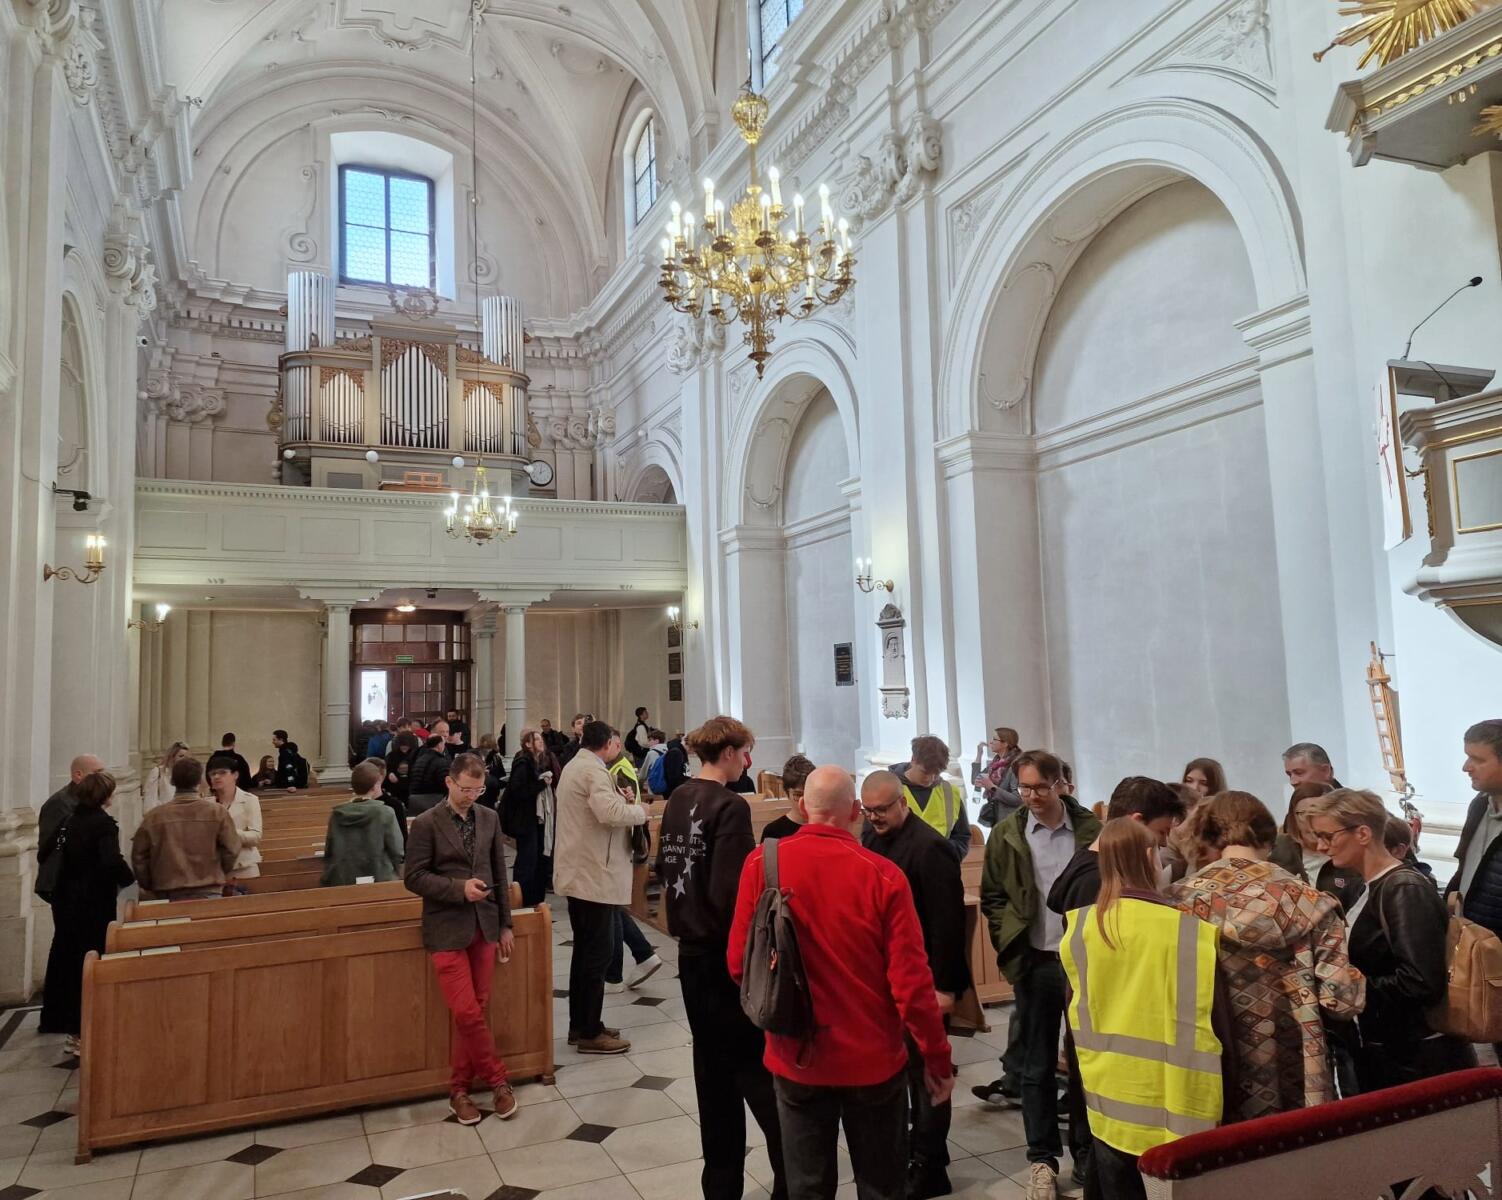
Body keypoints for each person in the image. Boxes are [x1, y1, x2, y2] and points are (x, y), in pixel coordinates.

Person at [728, 766, 954, 1200]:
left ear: (801, 806)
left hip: (795, 1055)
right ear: (855, 811)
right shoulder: (883, 875)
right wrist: (936, 1059)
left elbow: (739, 963)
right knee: (881, 1187)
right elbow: (911, 986)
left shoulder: (761, 864)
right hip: (872, 1060)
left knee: (807, 1189)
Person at [1169, 791, 1364, 1121]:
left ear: (1210, 835)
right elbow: (1340, 1001)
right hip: (1299, 1073)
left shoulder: (1179, 902)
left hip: (1218, 1063)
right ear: (1268, 835)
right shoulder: (1313, 902)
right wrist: (1356, 975)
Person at [1059, 819, 1224, 1200]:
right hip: (1178, 1103)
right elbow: (1218, 1022)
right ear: (1151, 858)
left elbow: (1073, 1013)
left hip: (1107, 1099)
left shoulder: (1080, 928)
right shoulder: (1188, 931)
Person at [657, 716, 786, 1200]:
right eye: (745, 752)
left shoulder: (679, 797)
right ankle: (791, 1178)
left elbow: (668, 867)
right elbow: (737, 893)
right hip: (723, 956)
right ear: (729, 753)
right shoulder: (730, 806)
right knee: (757, 1070)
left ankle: (721, 1186)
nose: (748, 762)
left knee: (711, 1074)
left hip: (689, 955)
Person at [979, 749, 1099, 1199]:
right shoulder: (1007, 834)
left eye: (1039, 787)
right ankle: (1043, 1158)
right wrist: (1007, 938)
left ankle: (1086, 1153)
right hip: (1036, 960)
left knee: (1087, 1063)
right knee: (1036, 1064)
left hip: (1084, 961)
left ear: (1061, 785)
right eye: (1024, 787)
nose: (1030, 796)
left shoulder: (1091, 831)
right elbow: (993, 895)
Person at [1310, 788, 1476, 1091]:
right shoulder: (1368, 886)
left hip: (1418, 1059)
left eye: (1327, 836)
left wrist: (1350, 986)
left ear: (1363, 833)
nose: (1321, 847)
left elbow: (1422, 982)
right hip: (1392, 1050)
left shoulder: (1403, 889)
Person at [860, 770, 970, 1200]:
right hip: (888, 980)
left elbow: (948, 924)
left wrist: (945, 988)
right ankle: (916, 1149)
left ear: (902, 802)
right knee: (902, 1072)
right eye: (868, 810)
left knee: (928, 1078)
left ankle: (930, 1165)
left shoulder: (930, 848)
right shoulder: (871, 840)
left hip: (925, 982)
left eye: (882, 810)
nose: (874, 818)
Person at [404, 753, 518, 1123]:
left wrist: (505, 924)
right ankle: (498, 1080)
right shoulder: (426, 823)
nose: (472, 796)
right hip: (446, 928)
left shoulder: (489, 817)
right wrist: (458, 889)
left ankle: (459, 1090)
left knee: (476, 1010)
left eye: (478, 790)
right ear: (450, 783)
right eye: (466, 789)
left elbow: (498, 871)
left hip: (484, 925)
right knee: (466, 1011)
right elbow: (413, 877)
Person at [553, 719, 649, 1054]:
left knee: (585, 954)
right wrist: (639, 811)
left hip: (583, 872)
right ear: (607, 744)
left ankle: (581, 1025)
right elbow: (609, 812)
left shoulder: (575, 766)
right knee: (597, 955)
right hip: (591, 875)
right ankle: (590, 1033)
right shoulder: (592, 770)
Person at [37, 771, 134, 1054]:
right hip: (92, 902)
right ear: (105, 796)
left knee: (66, 959)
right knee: (91, 960)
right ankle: (84, 1030)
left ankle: (64, 1022)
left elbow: (44, 853)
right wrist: (132, 880)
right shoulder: (103, 824)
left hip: (65, 900)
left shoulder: (69, 819)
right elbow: (111, 861)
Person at [1046, 776, 1188, 916]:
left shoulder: (1098, 869)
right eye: (1162, 832)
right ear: (1137, 822)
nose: (1164, 843)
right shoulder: (1096, 882)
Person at [130, 756, 240, 900]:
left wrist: (149, 883)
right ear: (200, 780)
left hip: (167, 888)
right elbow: (231, 849)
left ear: (172, 781)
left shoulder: (154, 816)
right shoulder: (217, 812)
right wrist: (217, 871)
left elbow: (139, 856)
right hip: (209, 886)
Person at [604, 730, 663, 992]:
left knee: (612, 907)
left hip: (622, 842)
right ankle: (643, 954)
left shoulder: (618, 769)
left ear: (616, 744)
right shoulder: (617, 766)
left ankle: (615, 973)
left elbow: (624, 808)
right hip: (621, 841)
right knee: (613, 906)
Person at [1449, 719, 1502, 934]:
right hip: (1466, 940)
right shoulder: (1479, 806)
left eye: (1478, 759)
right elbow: (1463, 871)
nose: (1466, 767)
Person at [322, 761, 405, 885]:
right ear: (375, 785)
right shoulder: (385, 812)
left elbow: (329, 850)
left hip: (344, 878)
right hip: (380, 876)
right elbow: (397, 850)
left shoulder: (337, 815)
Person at [36, 753, 106, 897]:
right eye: (96, 773)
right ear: (78, 775)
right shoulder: (60, 803)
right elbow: (51, 846)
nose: (102, 779)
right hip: (65, 883)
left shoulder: (88, 799)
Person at [894, 736, 972, 862]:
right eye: (925, 772)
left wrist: (947, 854)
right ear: (913, 760)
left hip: (940, 867)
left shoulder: (950, 792)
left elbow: (962, 836)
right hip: (899, 867)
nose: (931, 778)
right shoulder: (889, 788)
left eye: (937, 773)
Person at [502, 729, 556, 907]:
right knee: (528, 860)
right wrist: (541, 784)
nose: (541, 741)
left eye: (541, 739)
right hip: (526, 820)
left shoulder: (540, 761)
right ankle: (521, 899)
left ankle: (536, 900)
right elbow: (518, 790)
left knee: (540, 858)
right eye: (536, 739)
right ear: (527, 744)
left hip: (537, 819)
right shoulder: (523, 762)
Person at [206, 752, 263, 890]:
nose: (216, 777)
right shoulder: (206, 804)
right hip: (214, 869)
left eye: (222, 772)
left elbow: (256, 836)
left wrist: (228, 833)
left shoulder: (249, 800)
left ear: (235, 775)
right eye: (213, 774)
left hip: (244, 867)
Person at [761, 754, 815, 842]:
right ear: (786, 793)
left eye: (809, 793)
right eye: (798, 795)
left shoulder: (824, 828)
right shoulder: (773, 832)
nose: (804, 800)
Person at [977, 727, 1022, 828]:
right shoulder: (995, 763)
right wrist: (979, 754)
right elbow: (975, 779)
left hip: (1011, 822)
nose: (990, 742)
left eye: (994, 739)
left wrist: (992, 787)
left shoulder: (1016, 765)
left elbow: (1017, 799)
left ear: (1005, 743)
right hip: (997, 821)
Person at [407, 729, 453, 816]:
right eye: (443, 744)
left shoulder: (420, 759)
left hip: (416, 800)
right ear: (439, 745)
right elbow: (445, 784)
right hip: (434, 801)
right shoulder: (441, 761)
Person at [143, 741, 190, 810]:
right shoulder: (158, 772)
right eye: (181, 756)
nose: (184, 760)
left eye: (187, 757)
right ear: (172, 757)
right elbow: (150, 801)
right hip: (163, 813)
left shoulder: (186, 774)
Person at [661, 731, 692, 797]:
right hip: (672, 792)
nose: (693, 751)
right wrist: (689, 780)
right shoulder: (676, 753)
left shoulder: (678, 751)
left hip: (674, 790)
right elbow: (674, 777)